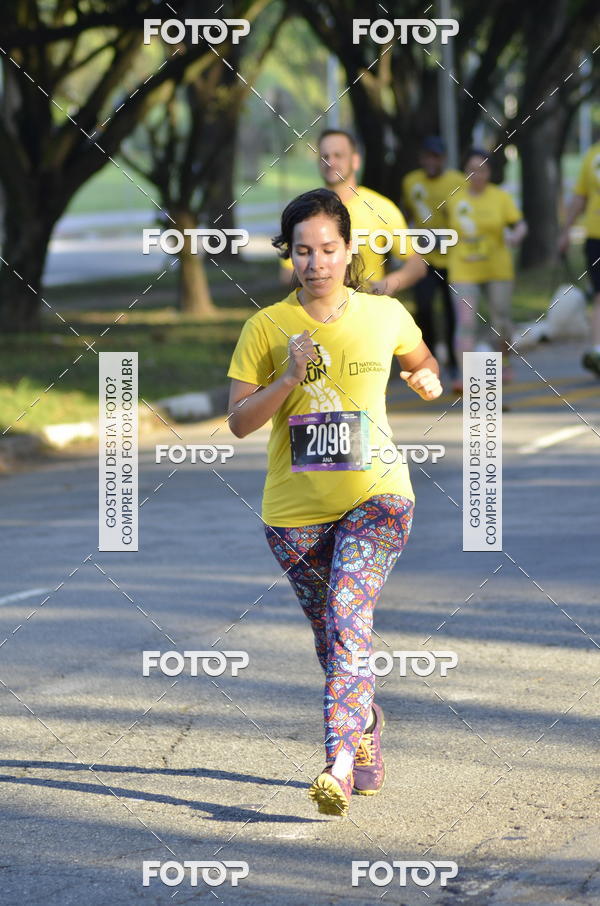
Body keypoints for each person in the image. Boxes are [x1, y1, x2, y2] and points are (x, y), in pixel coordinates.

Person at [228, 188, 442, 817]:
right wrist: (289, 378)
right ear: (287, 255)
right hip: (293, 515)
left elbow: (420, 360)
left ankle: (338, 765)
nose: (316, 262)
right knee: (335, 642)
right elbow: (240, 422)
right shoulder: (264, 327)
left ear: (349, 250)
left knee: (349, 623)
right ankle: (366, 722)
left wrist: (423, 376)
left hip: (377, 498)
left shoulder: (384, 314)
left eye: (327, 249)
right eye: (302, 251)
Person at [280, 129, 427, 294]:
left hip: (367, 311)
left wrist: (388, 283)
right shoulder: (305, 211)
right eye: (325, 157)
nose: (331, 162)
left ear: (355, 161)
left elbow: (417, 265)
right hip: (319, 312)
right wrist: (324, 278)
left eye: (338, 155)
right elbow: (287, 273)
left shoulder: (380, 207)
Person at [446, 149, 528, 392]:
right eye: (471, 169)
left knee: (500, 320)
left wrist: (516, 236)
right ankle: (465, 375)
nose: (477, 175)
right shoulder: (454, 199)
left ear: (490, 172)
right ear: (464, 172)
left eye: (482, 170)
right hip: (463, 268)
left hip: (497, 268)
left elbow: (520, 224)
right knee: (465, 322)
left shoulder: (500, 198)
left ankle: (504, 361)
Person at [402, 136, 463, 379]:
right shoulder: (411, 181)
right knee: (424, 307)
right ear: (421, 158)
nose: (431, 161)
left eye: (435, 156)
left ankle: (452, 360)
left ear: (444, 159)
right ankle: (426, 359)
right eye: (427, 156)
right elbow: (406, 211)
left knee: (451, 311)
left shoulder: (458, 181)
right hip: (423, 258)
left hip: (452, 257)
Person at [558, 141, 600, 377]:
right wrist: (566, 232)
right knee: (599, 294)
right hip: (596, 236)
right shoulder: (592, 155)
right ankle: (597, 350)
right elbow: (579, 197)